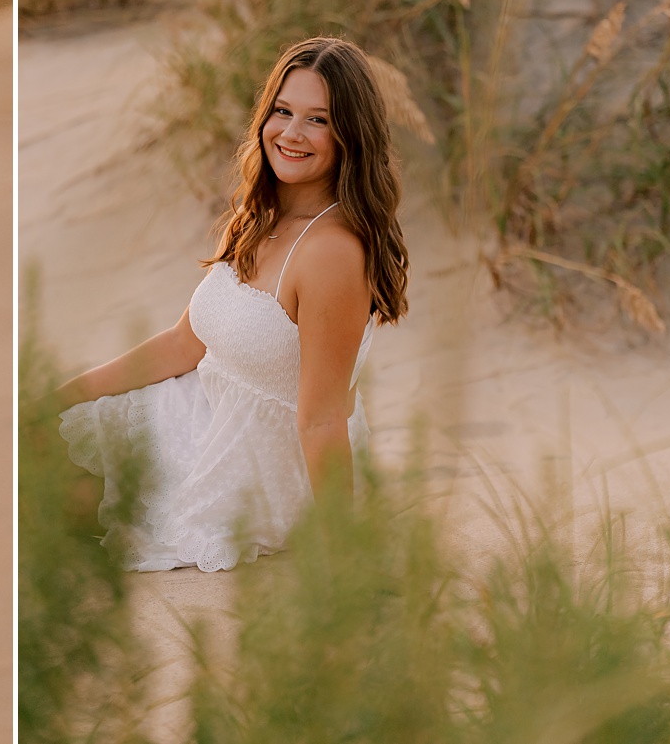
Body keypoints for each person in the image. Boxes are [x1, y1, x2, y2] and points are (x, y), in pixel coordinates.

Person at [54, 38, 408, 573]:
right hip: (197, 412)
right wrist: (56, 396)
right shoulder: (262, 212)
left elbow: (322, 420)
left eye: (318, 120)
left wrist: (345, 561)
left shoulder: (331, 253)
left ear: (349, 137)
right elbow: (183, 343)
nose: (290, 133)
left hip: (252, 466)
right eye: (283, 111)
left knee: (51, 511)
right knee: (37, 440)